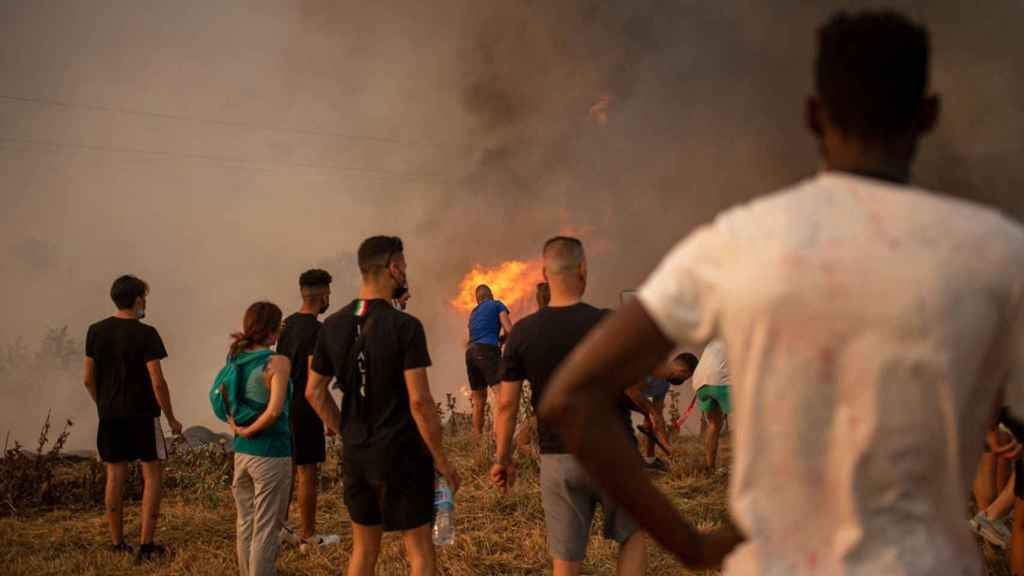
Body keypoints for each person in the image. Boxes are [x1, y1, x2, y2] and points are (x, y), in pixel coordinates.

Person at [540, 10, 1024, 575]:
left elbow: (571, 397)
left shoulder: (737, 242)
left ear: (813, 115)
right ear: (929, 115)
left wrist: (690, 543)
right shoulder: (997, 252)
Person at [305, 236, 460, 576]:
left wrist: (347, 430)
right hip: (403, 454)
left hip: (357, 455)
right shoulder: (405, 326)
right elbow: (420, 401)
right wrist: (442, 460)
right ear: (393, 268)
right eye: (403, 267)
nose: (405, 274)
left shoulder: (332, 325)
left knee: (363, 551)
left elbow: (314, 392)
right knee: (419, 551)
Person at [492, 237, 646, 576]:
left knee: (566, 559)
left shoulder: (522, 333)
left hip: (558, 459)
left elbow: (506, 405)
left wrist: (502, 459)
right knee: (634, 537)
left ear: (545, 273)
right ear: (583, 269)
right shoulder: (608, 323)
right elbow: (633, 385)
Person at [83, 274, 182, 561]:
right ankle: (147, 546)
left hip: (110, 416)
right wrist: (172, 418)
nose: (145, 302)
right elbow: (158, 381)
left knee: (115, 475)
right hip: (142, 416)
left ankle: (117, 544)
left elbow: (88, 379)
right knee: (152, 475)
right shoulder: (146, 333)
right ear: (138, 299)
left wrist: (103, 404)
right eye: (144, 297)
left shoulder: (95, 331)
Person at [220, 302, 293, 576]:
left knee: (245, 523)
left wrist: (238, 428)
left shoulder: (235, 356)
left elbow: (226, 396)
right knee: (266, 528)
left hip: (242, 454)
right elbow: (275, 410)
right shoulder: (278, 362)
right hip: (270, 453)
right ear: (273, 330)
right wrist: (252, 430)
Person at [276, 269, 339, 551]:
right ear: (322, 295)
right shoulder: (317, 330)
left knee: (288, 469)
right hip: (306, 407)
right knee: (308, 472)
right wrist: (329, 417)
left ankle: (281, 528)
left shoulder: (286, 325)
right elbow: (317, 380)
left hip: (284, 405)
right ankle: (309, 536)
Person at [466, 284, 514, 436]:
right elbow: (509, 329)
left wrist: (500, 339)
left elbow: (477, 335)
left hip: (470, 353)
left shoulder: (473, 313)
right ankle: (501, 439)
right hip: (487, 351)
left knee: (478, 401)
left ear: (477, 300)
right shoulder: (497, 304)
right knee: (502, 397)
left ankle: (478, 444)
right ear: (491, 295)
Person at [638, 353, 698, 472]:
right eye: (686, 377)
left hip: (629, 399)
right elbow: (631, 390)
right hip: (613, 396)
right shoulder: (653, 368)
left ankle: (650, 461)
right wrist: (651, 412)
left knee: (652, 421)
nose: (684, 381)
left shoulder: (664, 385)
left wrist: (668, 449)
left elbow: (658, 415)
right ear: (683, 370)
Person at [690, 341, 730, 471]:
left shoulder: (714, 339)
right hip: (722, 379)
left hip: (699, 382)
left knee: (714, 425)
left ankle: (710, 467)